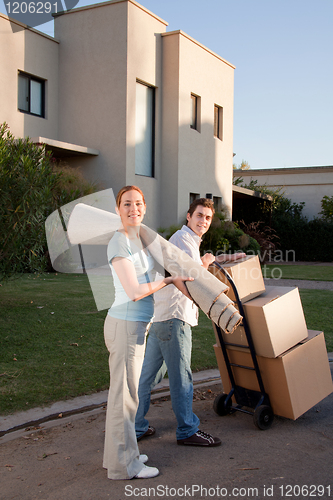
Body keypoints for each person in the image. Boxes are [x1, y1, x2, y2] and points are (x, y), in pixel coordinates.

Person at [135, 198, 246, 446]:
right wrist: (206, 262)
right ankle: (187, 430)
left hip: (163, 318)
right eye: (199, 216)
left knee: (147, 377)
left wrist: (225, 258)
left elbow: (197, 261)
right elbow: (191, 275)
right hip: (175, 318)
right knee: (181, 377)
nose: (203, 221)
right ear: (188, 216)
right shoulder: (183, 240)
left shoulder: (186, 240)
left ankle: (135, 426)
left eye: (207, 218)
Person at [103, 185, 193, 480]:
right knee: (124, 399)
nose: (134, 209)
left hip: (136, 326)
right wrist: (167, 283)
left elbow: (165, 269)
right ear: (118, 209)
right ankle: (124, 466)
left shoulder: (137, 239)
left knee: (126, 397)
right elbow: (134, 291)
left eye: (139, 203)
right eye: (127, 204)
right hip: (125, 326)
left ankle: (122, 455)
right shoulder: (119, 243)